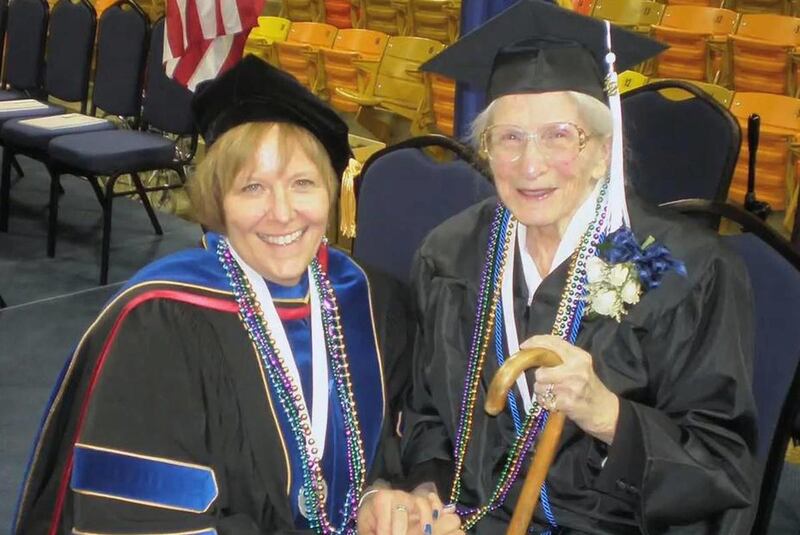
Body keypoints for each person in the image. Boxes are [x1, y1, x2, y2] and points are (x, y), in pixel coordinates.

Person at [12, 56, 460, 535]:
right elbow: (142, 521)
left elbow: (417, 430)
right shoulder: (160, 322)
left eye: (302, 183)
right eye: (253, 187)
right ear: (218, 202)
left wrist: (395, 498)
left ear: (332, 192)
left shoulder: (371, 300)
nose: (282, 213)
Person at [392, 2, 759, 534]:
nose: (530, 164)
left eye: (559, 135)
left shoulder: (683, 271)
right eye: (509, 138)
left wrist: (608, 415)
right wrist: (427, 492)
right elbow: (426, 414)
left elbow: (723, 465)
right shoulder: (450, 255)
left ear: (603, 150)